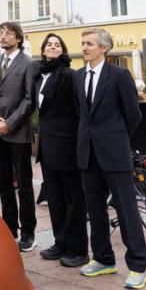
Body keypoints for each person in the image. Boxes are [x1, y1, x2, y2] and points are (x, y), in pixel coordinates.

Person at [75, 28, 146, 290]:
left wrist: (115, 138)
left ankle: (138, 266)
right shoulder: (78, 76)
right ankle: (104, 259)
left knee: (126, 209)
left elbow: (133, 114)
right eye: (83, 43)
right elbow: (81, 114)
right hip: (88, 153)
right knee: (94, 209)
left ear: (103, 48)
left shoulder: (118, 75)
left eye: (89, 44)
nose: (84, 48)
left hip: (114, 153)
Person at [29, 33, 88, 267]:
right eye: (49, 45)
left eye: (57, 45)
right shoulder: (38, 75)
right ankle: (60, 242)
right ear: (43, 50)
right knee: (54, 198)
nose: (52, 47)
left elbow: (79, 111)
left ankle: (78, 249)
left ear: (62, 51)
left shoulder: (69, 75)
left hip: (67, 145)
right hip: (47, 146)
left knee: (73, 198)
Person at [0, 22, 36, 252]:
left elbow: (29, 100)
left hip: (18, 133)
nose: (2, 36)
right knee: (3, 182)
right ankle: (9, 227)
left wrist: (10, 124)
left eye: (8, 33)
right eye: (1, 33)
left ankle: (28, 232)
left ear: (19, 38)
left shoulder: (28, 64)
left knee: (24, 184)